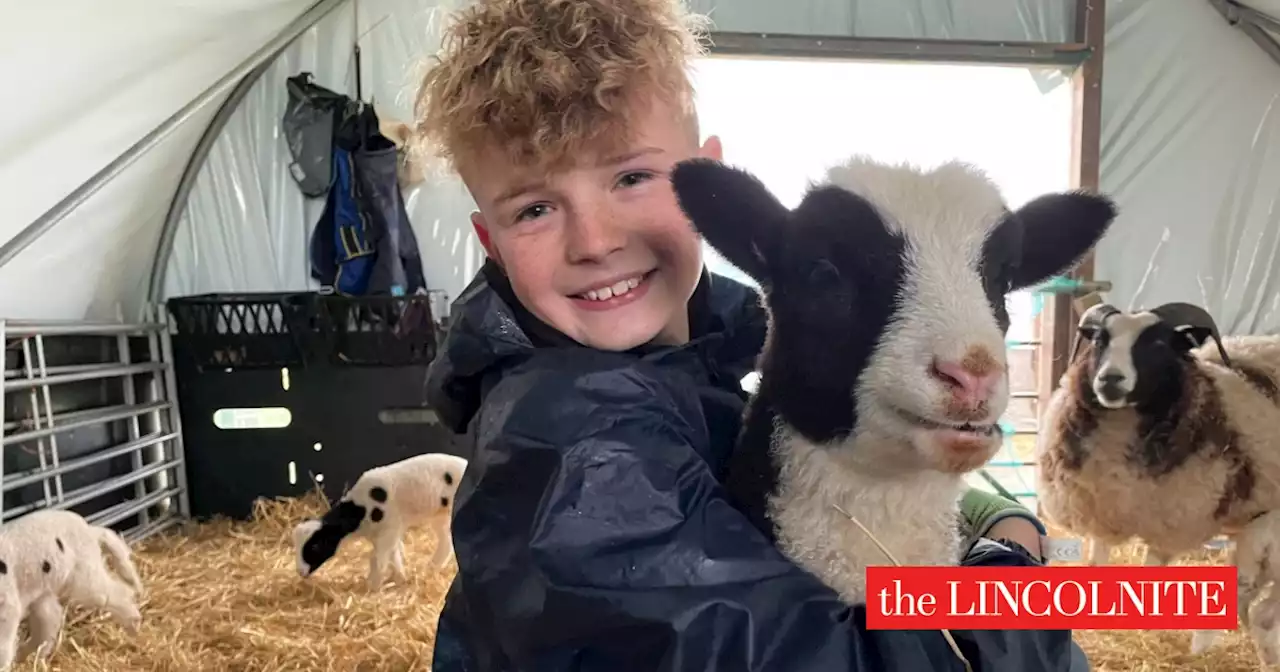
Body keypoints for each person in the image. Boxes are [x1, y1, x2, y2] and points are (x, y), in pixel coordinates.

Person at [415, 0, 1088, 669]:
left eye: (631, 176)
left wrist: (977, 520)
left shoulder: (690, 373)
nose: (594, 242)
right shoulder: (570, 447)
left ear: (700, 176)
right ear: (490, 243)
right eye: (534, 209)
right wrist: (1019, 588)